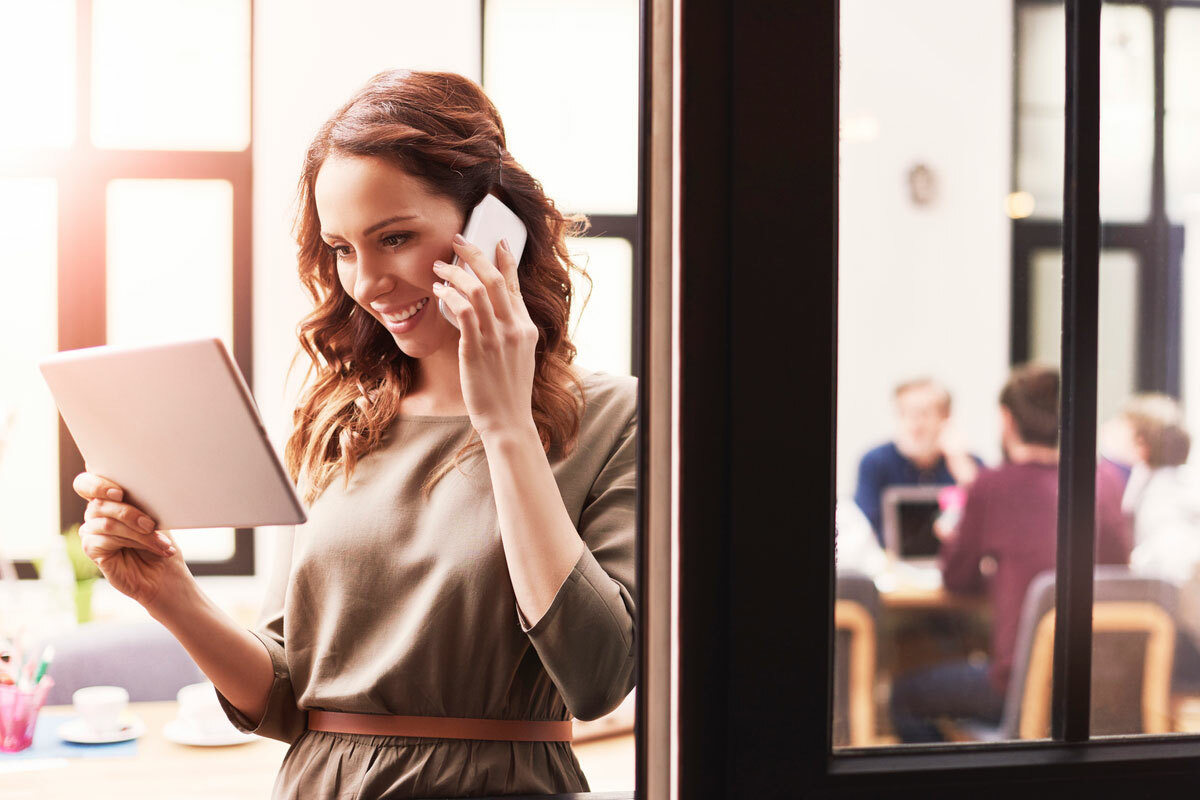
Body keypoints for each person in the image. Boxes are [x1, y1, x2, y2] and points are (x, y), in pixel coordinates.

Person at [70, 70, 637, 798]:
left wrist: (506, 427)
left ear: (495, 227)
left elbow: (598, 679)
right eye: (341, 249)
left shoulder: (614, 417)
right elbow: (285, 696)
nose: (366, 283)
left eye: (394, 237)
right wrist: (169, 594)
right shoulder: (336, 416)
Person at [888, 364, 1131, 743]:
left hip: (1020, 682)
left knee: (902, 696)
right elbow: (1119, 570)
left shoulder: (994, 486)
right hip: (1102, 682)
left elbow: (957, 578)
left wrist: (965, 545)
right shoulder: (1107, 481)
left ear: (1006, 419)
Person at [854, 378, 980, 545]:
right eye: (904, 413)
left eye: (923, 414)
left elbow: (986, 524)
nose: (914, 425)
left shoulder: (968, 465)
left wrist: (963, 470)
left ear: (945, 418)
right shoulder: (875, 463)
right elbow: (864, 528)